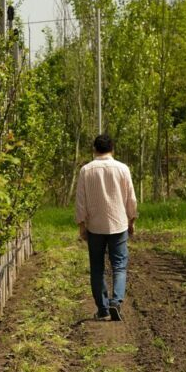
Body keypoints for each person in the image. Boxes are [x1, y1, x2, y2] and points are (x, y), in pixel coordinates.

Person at [75, 134, 138, 322]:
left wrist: (82, 225)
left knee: (97, 268)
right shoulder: (122, 169)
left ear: (94, 149)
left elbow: (80, 201)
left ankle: (102, 309)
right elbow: (131, 198)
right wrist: (131, 221)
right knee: (119, 266)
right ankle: (116, 302)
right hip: (118, 224)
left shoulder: (86, 171)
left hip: (95, 226)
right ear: (113, 149)